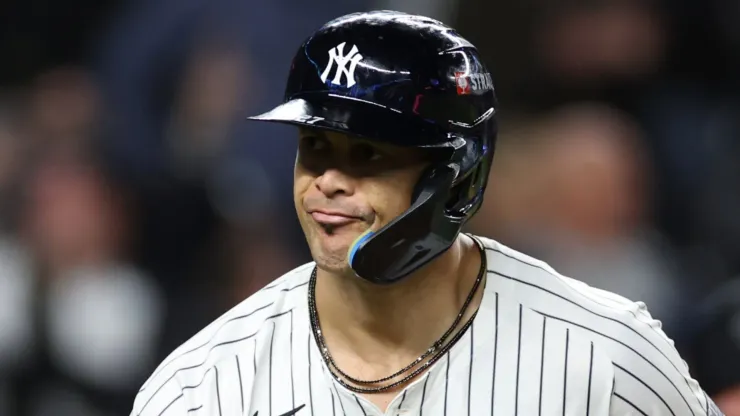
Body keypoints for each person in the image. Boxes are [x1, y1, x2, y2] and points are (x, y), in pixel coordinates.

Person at [130, 10, 722, 416]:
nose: (328, 182)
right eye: (315, 147)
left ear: (455, 173)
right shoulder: (203, 386)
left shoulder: (603, 355)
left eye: (368, 154)